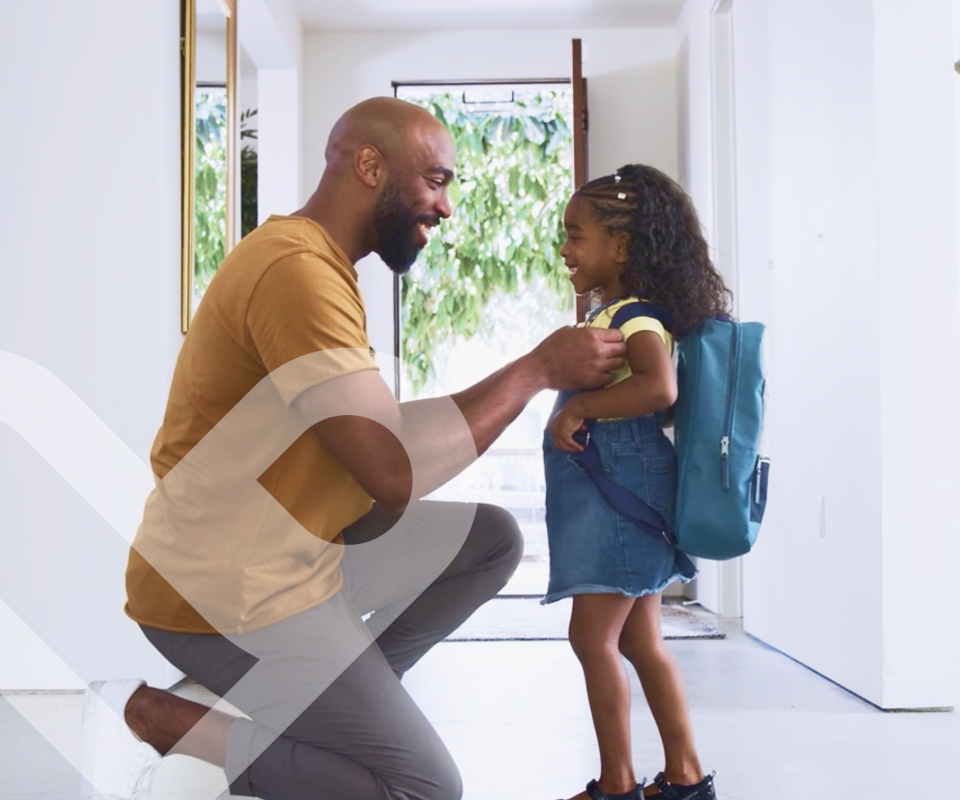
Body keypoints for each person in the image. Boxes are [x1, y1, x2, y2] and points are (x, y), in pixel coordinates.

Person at [77, 96, 627, 800]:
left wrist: (531, 369)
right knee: (423, 788)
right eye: (436, 179)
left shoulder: (320, 262)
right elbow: (390, 473)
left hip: (286, 554)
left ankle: (328, 710)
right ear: (370, 166)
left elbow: (379, 437)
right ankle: (172, 720)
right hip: (221, 593)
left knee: (488, 539)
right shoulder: (294, 273)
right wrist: (536, 371)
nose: (447, 206)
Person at [542, 164, 731, 800]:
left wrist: (581, 407)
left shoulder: (635, 319)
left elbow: (660, 388)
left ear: (621, 247)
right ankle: (684, 776)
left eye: (576, 235)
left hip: (618, 498)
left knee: (591, 638)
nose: (564, 249)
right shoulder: (619, 312)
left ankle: (618, 785)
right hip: (620, 494)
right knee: (640, 639)